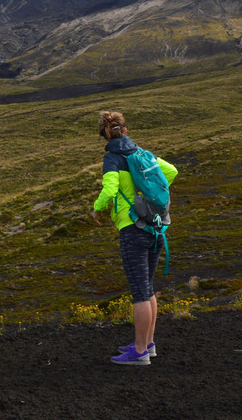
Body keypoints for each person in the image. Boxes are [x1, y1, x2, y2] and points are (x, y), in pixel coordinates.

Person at [92, 110, 178, 365]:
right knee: (148, 288)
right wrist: (147, 194)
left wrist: (97, 208)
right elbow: (171, 172)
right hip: (156, 227)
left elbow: (109, 190)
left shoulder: (112, 159)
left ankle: (139, 352)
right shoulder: (142, 153)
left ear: (104, 135)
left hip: (132, 230)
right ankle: (147, 343)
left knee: (140, 292)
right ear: (125, 130)